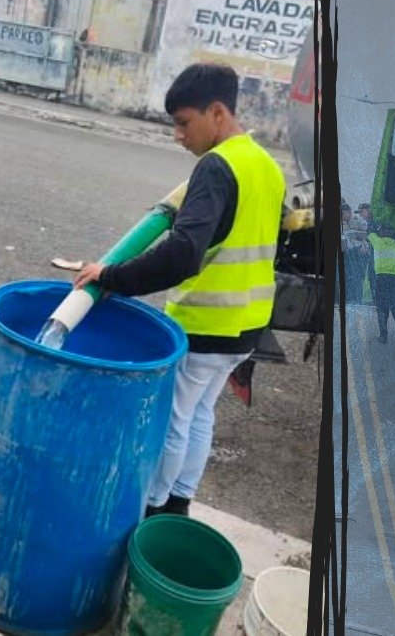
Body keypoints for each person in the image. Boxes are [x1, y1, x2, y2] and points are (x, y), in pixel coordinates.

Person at [74, 63, 285, 518]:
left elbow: (183, 254)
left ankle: (153, 511)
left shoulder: (216, 166)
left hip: (205, 324)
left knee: (173, 419)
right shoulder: (266, 165)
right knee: (200, 413)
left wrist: (110, 276)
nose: (178, 136)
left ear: (216, 113)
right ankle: (180, 501)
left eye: (184, 123)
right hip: (247, 326)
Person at [368, 223, 395, 344]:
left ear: (382, 233)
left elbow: (370, 234)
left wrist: (374, 225)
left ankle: (383, 337)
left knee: (382, 308)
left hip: (381, 279)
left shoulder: (378, 242)